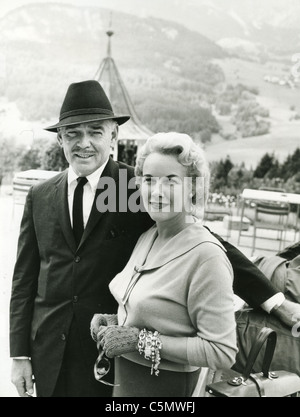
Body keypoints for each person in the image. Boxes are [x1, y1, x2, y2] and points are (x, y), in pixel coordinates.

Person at [10, 79, 300, 398]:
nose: (84, 143)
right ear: (61, 139)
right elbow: (24, 280)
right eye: (73, 133)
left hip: (110, 358)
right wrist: (19, 355)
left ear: (113, 136)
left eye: (95, 132)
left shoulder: (138, 187)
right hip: (49, 353)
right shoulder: (39, 196)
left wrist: (275, 302)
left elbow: (207, 244)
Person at [91, 132, 238, 397]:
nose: (157, 192)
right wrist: (117, 323)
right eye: (148, 180)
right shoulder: (150, 236)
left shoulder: (207, 255)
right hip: (128, 385)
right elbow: (164, 315)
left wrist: (139, 340)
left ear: (193, 186)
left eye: (171, 181)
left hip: (166, 390)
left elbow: (222, 351)